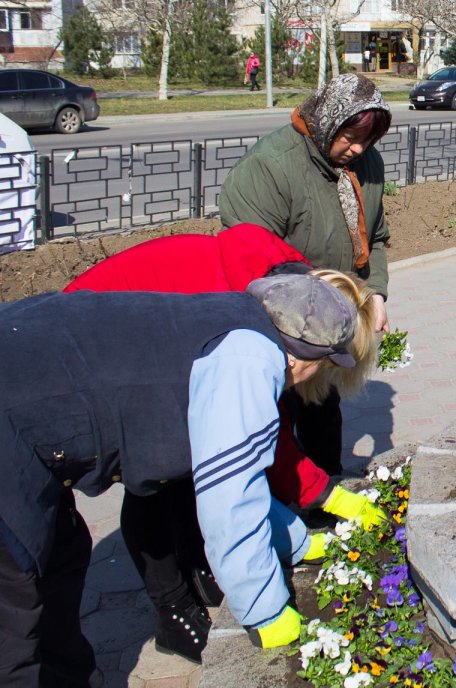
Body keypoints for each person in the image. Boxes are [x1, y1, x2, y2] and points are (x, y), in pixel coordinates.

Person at [0, 273, 364, 686]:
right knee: (12, 622)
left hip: (25, 389)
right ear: (303, 358)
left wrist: (296, 541)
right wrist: (265, 610)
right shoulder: (249, 360)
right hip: (11, 424)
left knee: (59, 565)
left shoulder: (234, 317)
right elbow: (231, 499)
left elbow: (237, 471)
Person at [63, 224, 385, 664]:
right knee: (154, 479)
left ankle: (202, 568)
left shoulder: (286, 301)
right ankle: (173, 612)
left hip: (126, 339)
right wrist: (263, 602)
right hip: (91, 352)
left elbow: (266, 428)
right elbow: (243, 462)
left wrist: (320, 497)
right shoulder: (245, 327)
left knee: (188, 467)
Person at [220, 73, 393, 477]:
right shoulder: (272, 166)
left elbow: (377, 239)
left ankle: (324, 500)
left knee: (322, 417)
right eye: (350, 136)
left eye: (368, 140)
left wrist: (376, 296)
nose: (358, 148)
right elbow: (247, 259)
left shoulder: (367, 165)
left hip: (328, 325)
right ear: (327, 120)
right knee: (268, 430)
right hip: (275, 329)